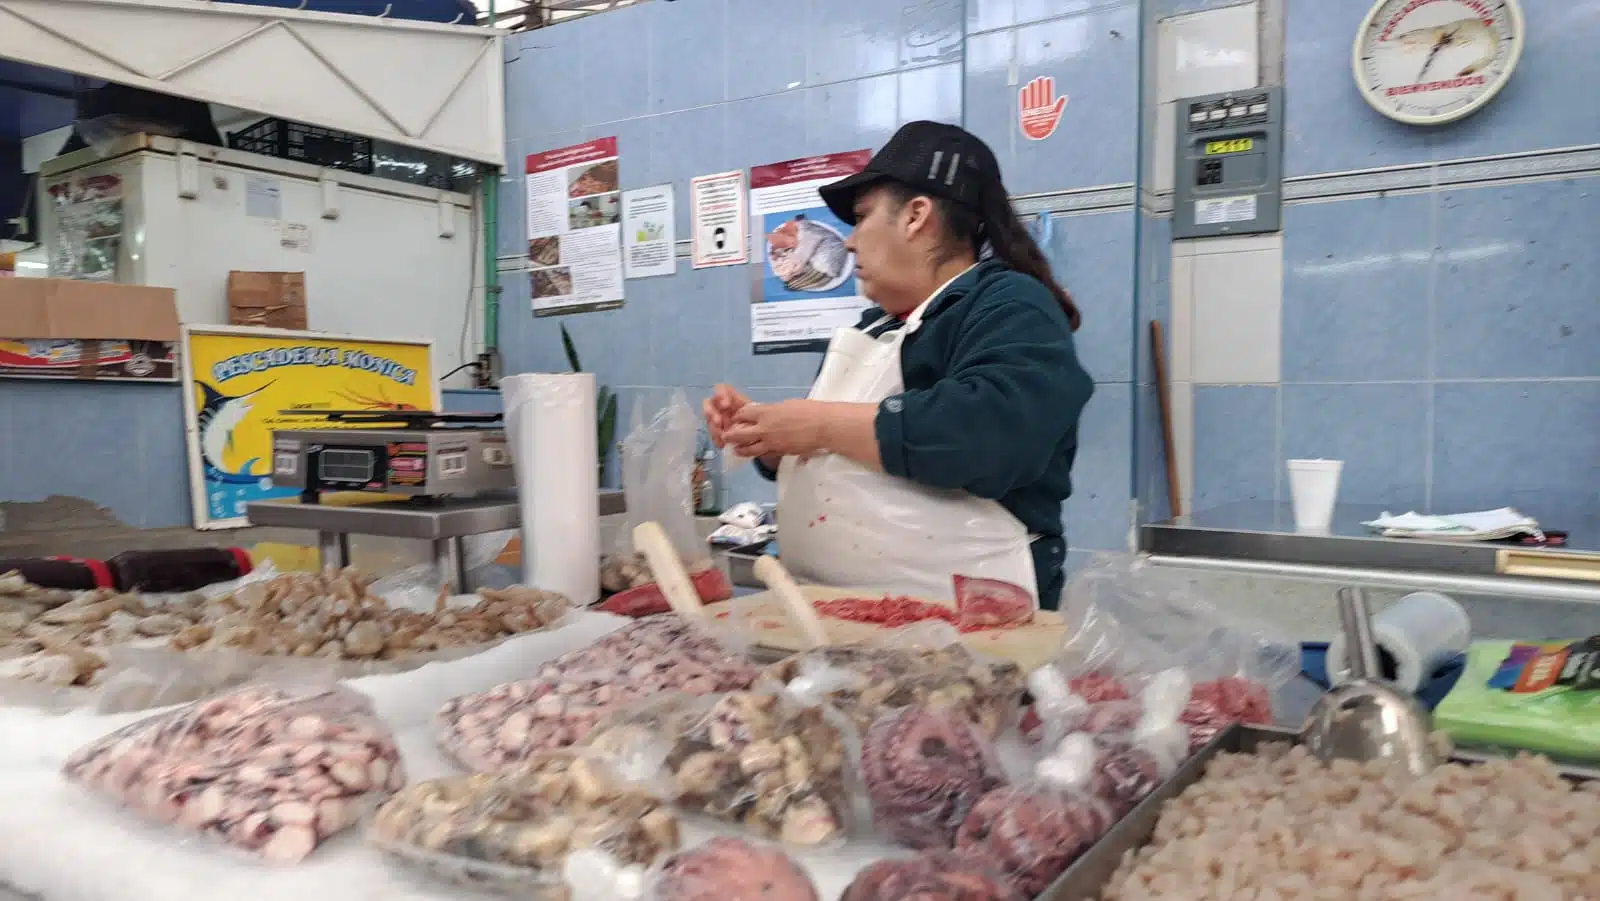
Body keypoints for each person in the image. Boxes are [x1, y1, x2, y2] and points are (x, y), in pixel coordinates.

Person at [705, 121, 1094, 610]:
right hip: (835, 614)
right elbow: (848, 455)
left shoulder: (1009, 304)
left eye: (863, 216)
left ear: (915, 216)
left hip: (969, 627)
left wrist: (818, 424)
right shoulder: (872, 329)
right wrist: (767, 438)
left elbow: (990, 435)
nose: (848, 243)